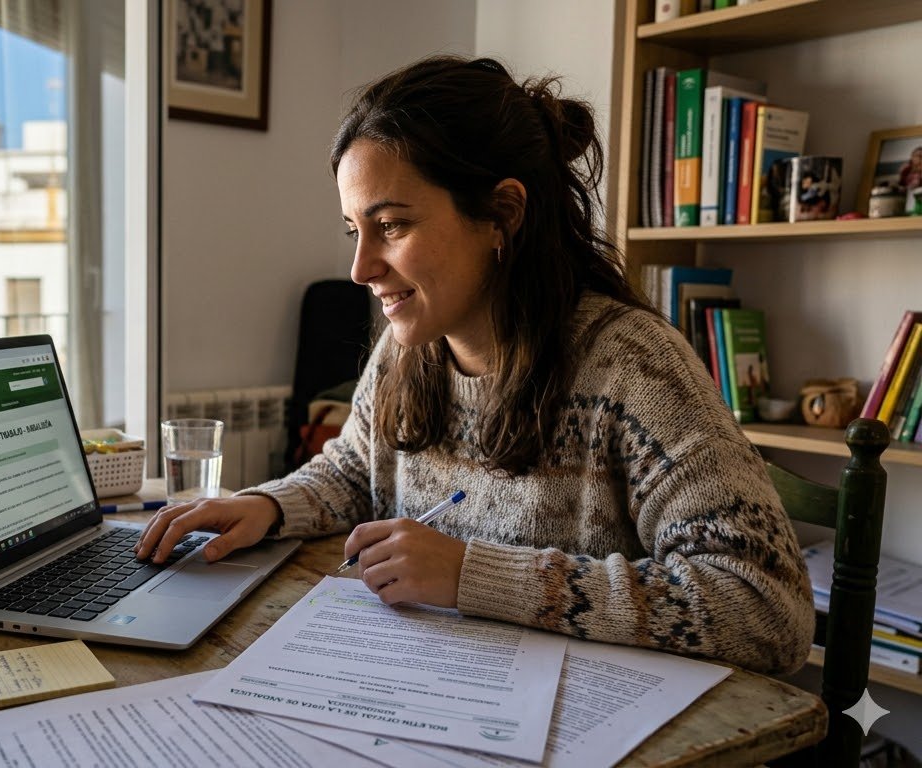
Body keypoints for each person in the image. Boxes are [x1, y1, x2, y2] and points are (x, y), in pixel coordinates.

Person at [135, 55, 814, 674]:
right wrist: (263, 506)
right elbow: (354, 471)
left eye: (392, 226)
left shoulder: (635, 368)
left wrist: (477, 577)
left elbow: (764, 610)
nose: (361, 267)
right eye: (354, 231)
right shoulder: (413, 346)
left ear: (503, 213)